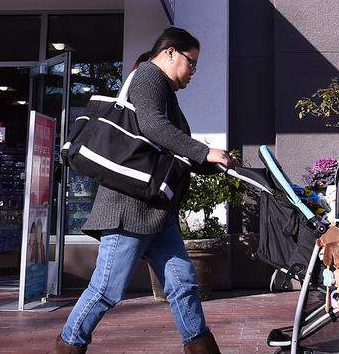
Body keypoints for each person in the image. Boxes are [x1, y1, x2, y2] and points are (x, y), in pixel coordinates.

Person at [50, 27, 237, 354]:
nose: (193, 71)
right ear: (170, 52)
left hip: (154, 212)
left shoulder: (165, 89)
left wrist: (211, 161)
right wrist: (203, 151)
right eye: (191, 63)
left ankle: (201, 348)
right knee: (108, 288)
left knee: (183, 286)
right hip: (129, 208)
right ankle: (67, 346)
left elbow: (169, 148)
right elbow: (152, 126)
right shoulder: (149, 75)